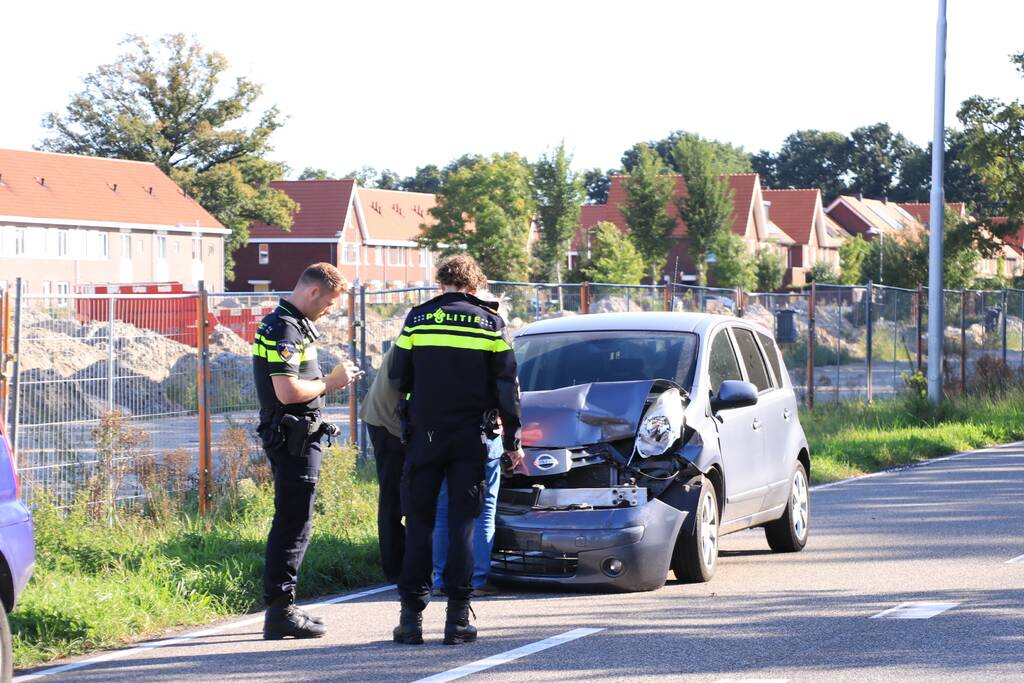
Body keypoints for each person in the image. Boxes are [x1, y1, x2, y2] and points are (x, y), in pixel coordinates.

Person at [390, 254, 524, 646]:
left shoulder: (416, 318)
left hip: (423, 437)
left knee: (419, 525)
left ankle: (410, 621)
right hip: (469, 438)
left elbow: (399, 376)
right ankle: (457, 622)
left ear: (441, 283)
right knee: (464, 527)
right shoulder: (490, 323)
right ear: (473, 285)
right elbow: (507, 388)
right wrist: (512, 440)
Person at [253, 263, 362, 640]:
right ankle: (280, 611)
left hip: (298, 436)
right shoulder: (285, 327)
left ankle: (284, 607)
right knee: (293, 522)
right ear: (313, 291)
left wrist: (327, 380)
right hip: (293, 438)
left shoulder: (292, 324)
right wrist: (331, 383)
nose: (330, 309)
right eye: (330, 303)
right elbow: (286, 391)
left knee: (296, 519)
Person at [431, 288, 510, 598]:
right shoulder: (493, 331)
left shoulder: (434, 333)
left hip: (436, 434)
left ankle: (440, 578)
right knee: (483, 509)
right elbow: (507, 388)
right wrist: (512, 437)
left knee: (442, 508)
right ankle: (476, 579)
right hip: (481, 434)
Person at [361, 344, 405, 583]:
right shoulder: (426, 328)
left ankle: (408, 561)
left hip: (393, 418)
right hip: (388, 423)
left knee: (402, 493)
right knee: (393, 496)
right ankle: (395, 568)